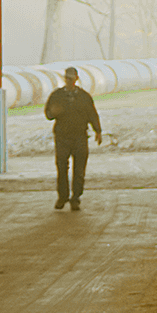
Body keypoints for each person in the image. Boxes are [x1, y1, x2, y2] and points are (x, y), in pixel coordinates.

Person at [42, 67, 104, 210]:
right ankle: (62, 196)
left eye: (71, 78)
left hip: (80, 137)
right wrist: (52, 112)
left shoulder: (84, 97)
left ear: (76, 79)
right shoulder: (57, 96)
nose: (69, 81)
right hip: (62, 137)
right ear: (65, 79)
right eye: (67, 78)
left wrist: (98, 131)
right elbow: (48, 114)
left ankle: (75, 197)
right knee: (62, 167)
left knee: (79, 169)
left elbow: (92, 114)